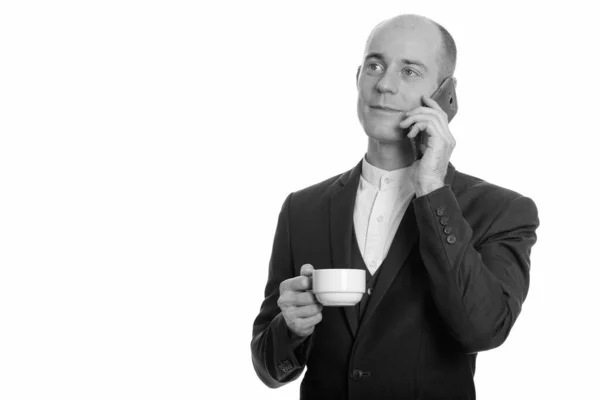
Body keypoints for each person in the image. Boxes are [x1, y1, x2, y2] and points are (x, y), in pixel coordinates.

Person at [250, 13, 539, 400]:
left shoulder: (501, 211)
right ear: (357, 78)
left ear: (444, 94)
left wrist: (432, 187)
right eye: (375, 65)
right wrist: (292, 328)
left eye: (409, 72)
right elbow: (270, 369)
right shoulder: (302, 210)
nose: (384, 84)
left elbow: (483, 331)